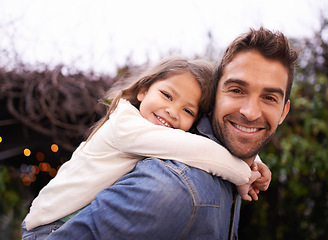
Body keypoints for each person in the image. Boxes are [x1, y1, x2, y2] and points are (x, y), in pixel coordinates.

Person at [46, 27, 296, 240]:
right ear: (215, 98)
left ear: (283, 112)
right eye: (236, 90)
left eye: (269, 97)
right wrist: (244, 173)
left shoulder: (220, 160)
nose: (251, 112)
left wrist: (250, 166)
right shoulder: (173, 187)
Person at [21, 56, 267, 240]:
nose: (172, 111)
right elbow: (196, 150)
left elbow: (201, 144)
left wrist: (253, 160)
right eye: (167, 95)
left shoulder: (152, 133)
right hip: (50, 228)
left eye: (188, 110)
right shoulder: (126, 125)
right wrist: (244, 173)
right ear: (143, 90)